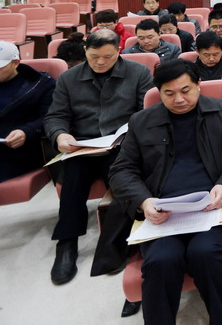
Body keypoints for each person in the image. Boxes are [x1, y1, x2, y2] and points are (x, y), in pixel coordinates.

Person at [108, 59, 222, 325]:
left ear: (198, 85)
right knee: (162, 260)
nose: (179, 99)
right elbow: (121, 170)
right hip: (163, 212)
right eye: (169, 93)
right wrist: (143, 201)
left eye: (186, 90)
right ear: (158, 93)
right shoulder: (141, 121)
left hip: (210, 205)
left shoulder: (220, 110)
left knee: (206, 253)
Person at [43, 29, 153, 284]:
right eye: (94, 57)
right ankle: (67, 242)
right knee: (72, 179)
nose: (101, 62)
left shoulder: (138, 73)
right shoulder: (68, 78)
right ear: (85, 51)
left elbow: (146, 112)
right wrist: (60, 135)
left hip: (122, 145)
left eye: (108, 57)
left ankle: (113, 245)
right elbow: (56, 116)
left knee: (124, 183)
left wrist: (129, 136)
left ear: (119, 52)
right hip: (82, 145)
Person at [0, 42, 55, 182]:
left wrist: (26, 132)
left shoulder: (42, 85)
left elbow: (50, 117)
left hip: (20, 150)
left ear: (15, 63)